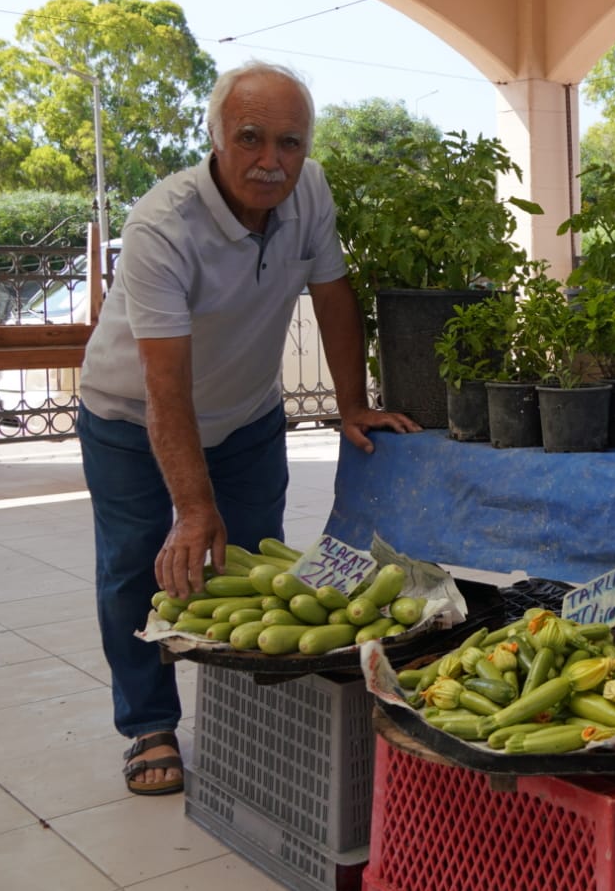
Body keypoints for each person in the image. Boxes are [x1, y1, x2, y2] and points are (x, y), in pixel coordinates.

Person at [78, 60, 420, 796]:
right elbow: (165, 387)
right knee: (138, 564)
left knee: (257, 569)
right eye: (251, 138)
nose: (272, 161)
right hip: (130, 414)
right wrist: (193, 508)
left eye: (289, 142)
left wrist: (351, 401)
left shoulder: (311, 191)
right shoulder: (162, 225)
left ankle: (245, 714)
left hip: (246, 415)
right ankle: (148, 723)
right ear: (216, 139)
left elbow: (332, 294)